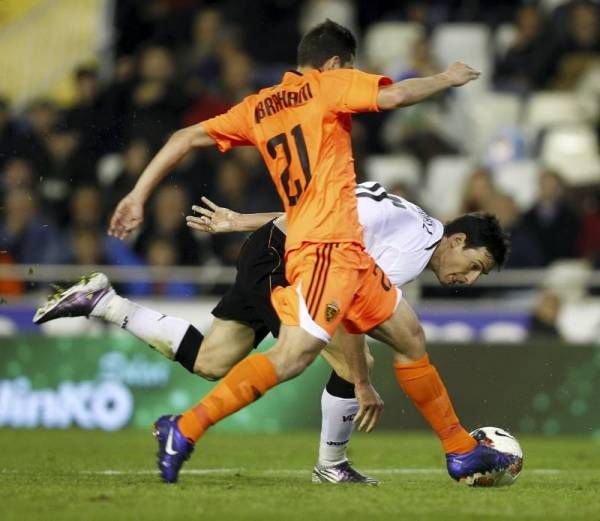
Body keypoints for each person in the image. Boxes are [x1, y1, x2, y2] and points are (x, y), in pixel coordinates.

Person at [69, 20, 515, 484]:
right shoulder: (328, 85)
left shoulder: (257, 107)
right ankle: (187, 428)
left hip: (336, 249)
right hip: (322, 249)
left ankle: (460, 450)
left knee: (408, 337)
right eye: (351, 69)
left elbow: (182, 138)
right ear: (335, 64)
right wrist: (446, 78)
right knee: (293, 357)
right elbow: (396, 96)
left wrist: (137, 195)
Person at [34, 182, 509, 484]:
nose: (467, 279)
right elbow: (342, 300)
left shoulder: (408, 221)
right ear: (457, 240)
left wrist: (242, 221)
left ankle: (103, 302)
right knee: (353, 358)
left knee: (212, 362)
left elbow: (318, 212)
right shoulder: (412, 244)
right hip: (286, 260)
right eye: (473, 267)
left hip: (274, 248)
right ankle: (336, 465)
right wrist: (362, 382)